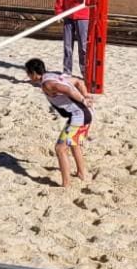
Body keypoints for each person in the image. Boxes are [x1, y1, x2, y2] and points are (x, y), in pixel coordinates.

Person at [25, 57, 93, 188]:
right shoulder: (52, 75)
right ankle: (81, 174)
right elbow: (78, 82)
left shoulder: (47, 84)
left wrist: (83, 100)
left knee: (60, 149)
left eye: (28, 73)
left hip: (79, 116)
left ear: (33, 73)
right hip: (86, 113)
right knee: (73, 143)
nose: (27, 76)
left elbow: (68, 90)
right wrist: (86, 96)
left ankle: (66, 184)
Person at [54, 0, 90, 76]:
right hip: (69, 16)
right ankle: (67, 71)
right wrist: (58, 12)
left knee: (83, 47)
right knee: (67, 46)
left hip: (83, 16)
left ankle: (84, 72)